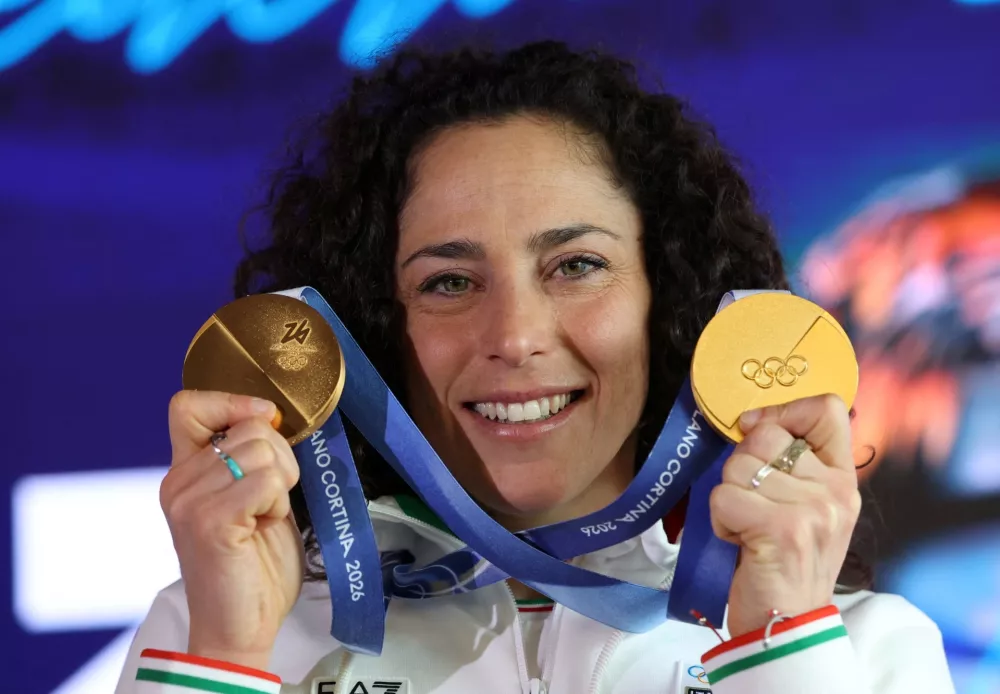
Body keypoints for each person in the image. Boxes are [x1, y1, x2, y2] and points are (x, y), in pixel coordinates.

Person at [116, 41, 954, 694]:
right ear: (372, 324)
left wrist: (781, 640)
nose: (514, 335)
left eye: (576, 266)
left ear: (671, 301)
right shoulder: (215, 628)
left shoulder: (866, 649)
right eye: (448, 281)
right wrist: (225, 656)